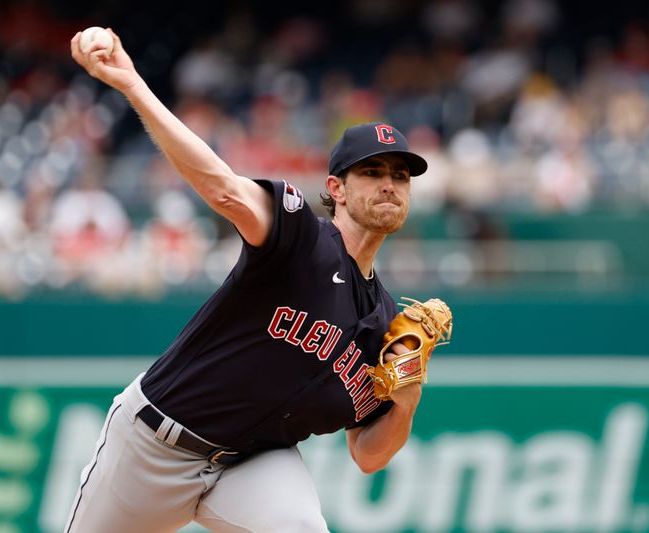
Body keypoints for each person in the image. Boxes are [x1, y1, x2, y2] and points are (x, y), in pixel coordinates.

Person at [66, 28, 429, 533]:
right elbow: (222, 189)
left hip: (255, 462)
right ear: (337, 189)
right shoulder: (299, 236)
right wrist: (132, 85)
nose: (390, 183)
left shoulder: (386, 322)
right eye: (373, 172)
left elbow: (368, 454)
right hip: (157, 445)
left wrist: (406, 404)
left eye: (401, 175)